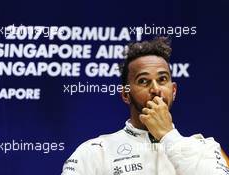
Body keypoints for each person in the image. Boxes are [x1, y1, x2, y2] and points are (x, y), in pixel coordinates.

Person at [61, 37, 229, 175]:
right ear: (126, 94)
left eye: (162, 79)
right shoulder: (94, 152)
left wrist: (167, 135)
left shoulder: (206, 149)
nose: (156, 89)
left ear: (174, 90)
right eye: (143, 81)